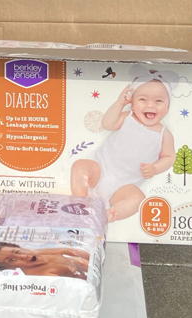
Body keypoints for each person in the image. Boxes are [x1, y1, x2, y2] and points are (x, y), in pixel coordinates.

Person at [70, 77, 176, 221]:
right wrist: (120, 103)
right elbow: (107, 123)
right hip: (100, 170)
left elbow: (169, 157)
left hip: (124, 186)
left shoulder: (164, 133)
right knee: (80, 166)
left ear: (167, 107)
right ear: (132, 103)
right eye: (143, 100)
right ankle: (81, 201)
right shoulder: (128, 117)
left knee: (137, 198)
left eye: (159, 101)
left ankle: (108, 215)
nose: (150, 105)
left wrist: (155, 168)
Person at [0, 241, 91, 279]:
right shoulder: (41, 275)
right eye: (11, 260)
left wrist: (90, 258)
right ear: (8, 268)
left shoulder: (38, 252)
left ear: (20, 246)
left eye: (17, 252)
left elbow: (68, 251)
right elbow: (78, 282)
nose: (22, 256)